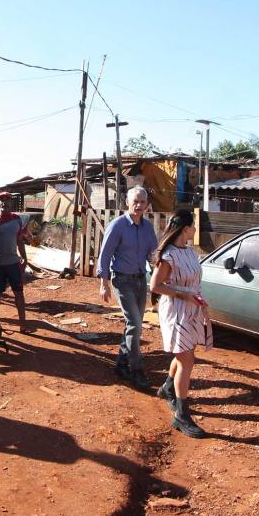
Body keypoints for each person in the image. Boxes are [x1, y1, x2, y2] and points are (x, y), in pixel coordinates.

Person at [149, 210, 213, 438]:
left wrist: (199, 302)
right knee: (187, 359)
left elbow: (194, 281)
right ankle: (181, 415)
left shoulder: (190, 252)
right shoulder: (169, 255)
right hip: (176, 310)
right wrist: (183, 295)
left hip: (191, 309)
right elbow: (155, 286)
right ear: (185, 228)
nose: (196, 230)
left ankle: (168, 387)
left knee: (185, 354)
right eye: (193, 226)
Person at [97, 186, 158, 389]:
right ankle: (136, 370)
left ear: (147, 205)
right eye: (136, 202)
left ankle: (121, 364)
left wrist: (158, 264)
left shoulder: (148, 228)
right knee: (135, 324)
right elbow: (105, 255)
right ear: (127, 203)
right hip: (122, 281)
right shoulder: (118, 226)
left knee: (135, 324)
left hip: (141, 280)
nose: (139, 205)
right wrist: (103, 283)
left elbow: (153, 253)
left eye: (143, 202)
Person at [0, 192, 31, 333]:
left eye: (8, 200)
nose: (5, 202)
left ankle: (23, 324)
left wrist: (25, 258)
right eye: (1, 200)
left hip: (14, 263)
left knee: (19, 293)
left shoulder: (17, 219)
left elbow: (19, 240)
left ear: (12, 203)